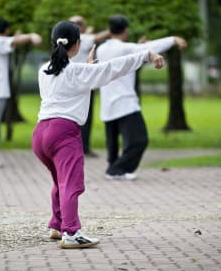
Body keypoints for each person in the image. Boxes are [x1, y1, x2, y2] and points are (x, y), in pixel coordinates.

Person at [32, 20, 164, 249]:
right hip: (64, 133)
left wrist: (87, 67)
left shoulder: (43, 69)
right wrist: (145, 54)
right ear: (77, 44)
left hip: (40, 134)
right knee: (71, 184)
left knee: (59, 182)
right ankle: (71, 233)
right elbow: (113, 68)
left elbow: (69, 77)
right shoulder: (80, 71)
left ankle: (57, 225)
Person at [97, 15, 187, 180]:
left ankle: (113, 167)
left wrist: (137, 47)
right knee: (139, 140)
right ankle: (116, 170)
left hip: (107, 103)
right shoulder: (125, 48)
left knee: (113, 142)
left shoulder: (101, 49)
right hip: (124, 102)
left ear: (109, 31)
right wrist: (173, 39)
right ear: (126, 31)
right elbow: (152, 47)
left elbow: (125, 56)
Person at [0, 17, 42, 168]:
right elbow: (13, 42)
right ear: (6, 30)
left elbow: (11, 42)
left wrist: (15, 38)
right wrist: (31, 36)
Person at [69, 15, 110, 157]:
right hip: (84, 83)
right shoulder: (83, 39)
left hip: (69, 83)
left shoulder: (68, 38)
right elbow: (97, 37)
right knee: (85, 117)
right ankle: (83, 147)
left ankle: (75, 147)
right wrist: (113, 29)